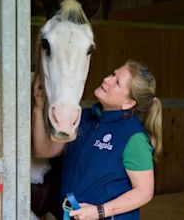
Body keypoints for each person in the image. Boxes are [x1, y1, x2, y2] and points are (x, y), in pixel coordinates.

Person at [32, 59, 162, 219]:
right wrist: (38, 108)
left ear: (128, 103)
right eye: (113, 74)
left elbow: (144, 192)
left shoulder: (133, 137)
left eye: (117, 82)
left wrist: (99, 211)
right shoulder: (85, 117)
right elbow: (44, 150)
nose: (107, 79)